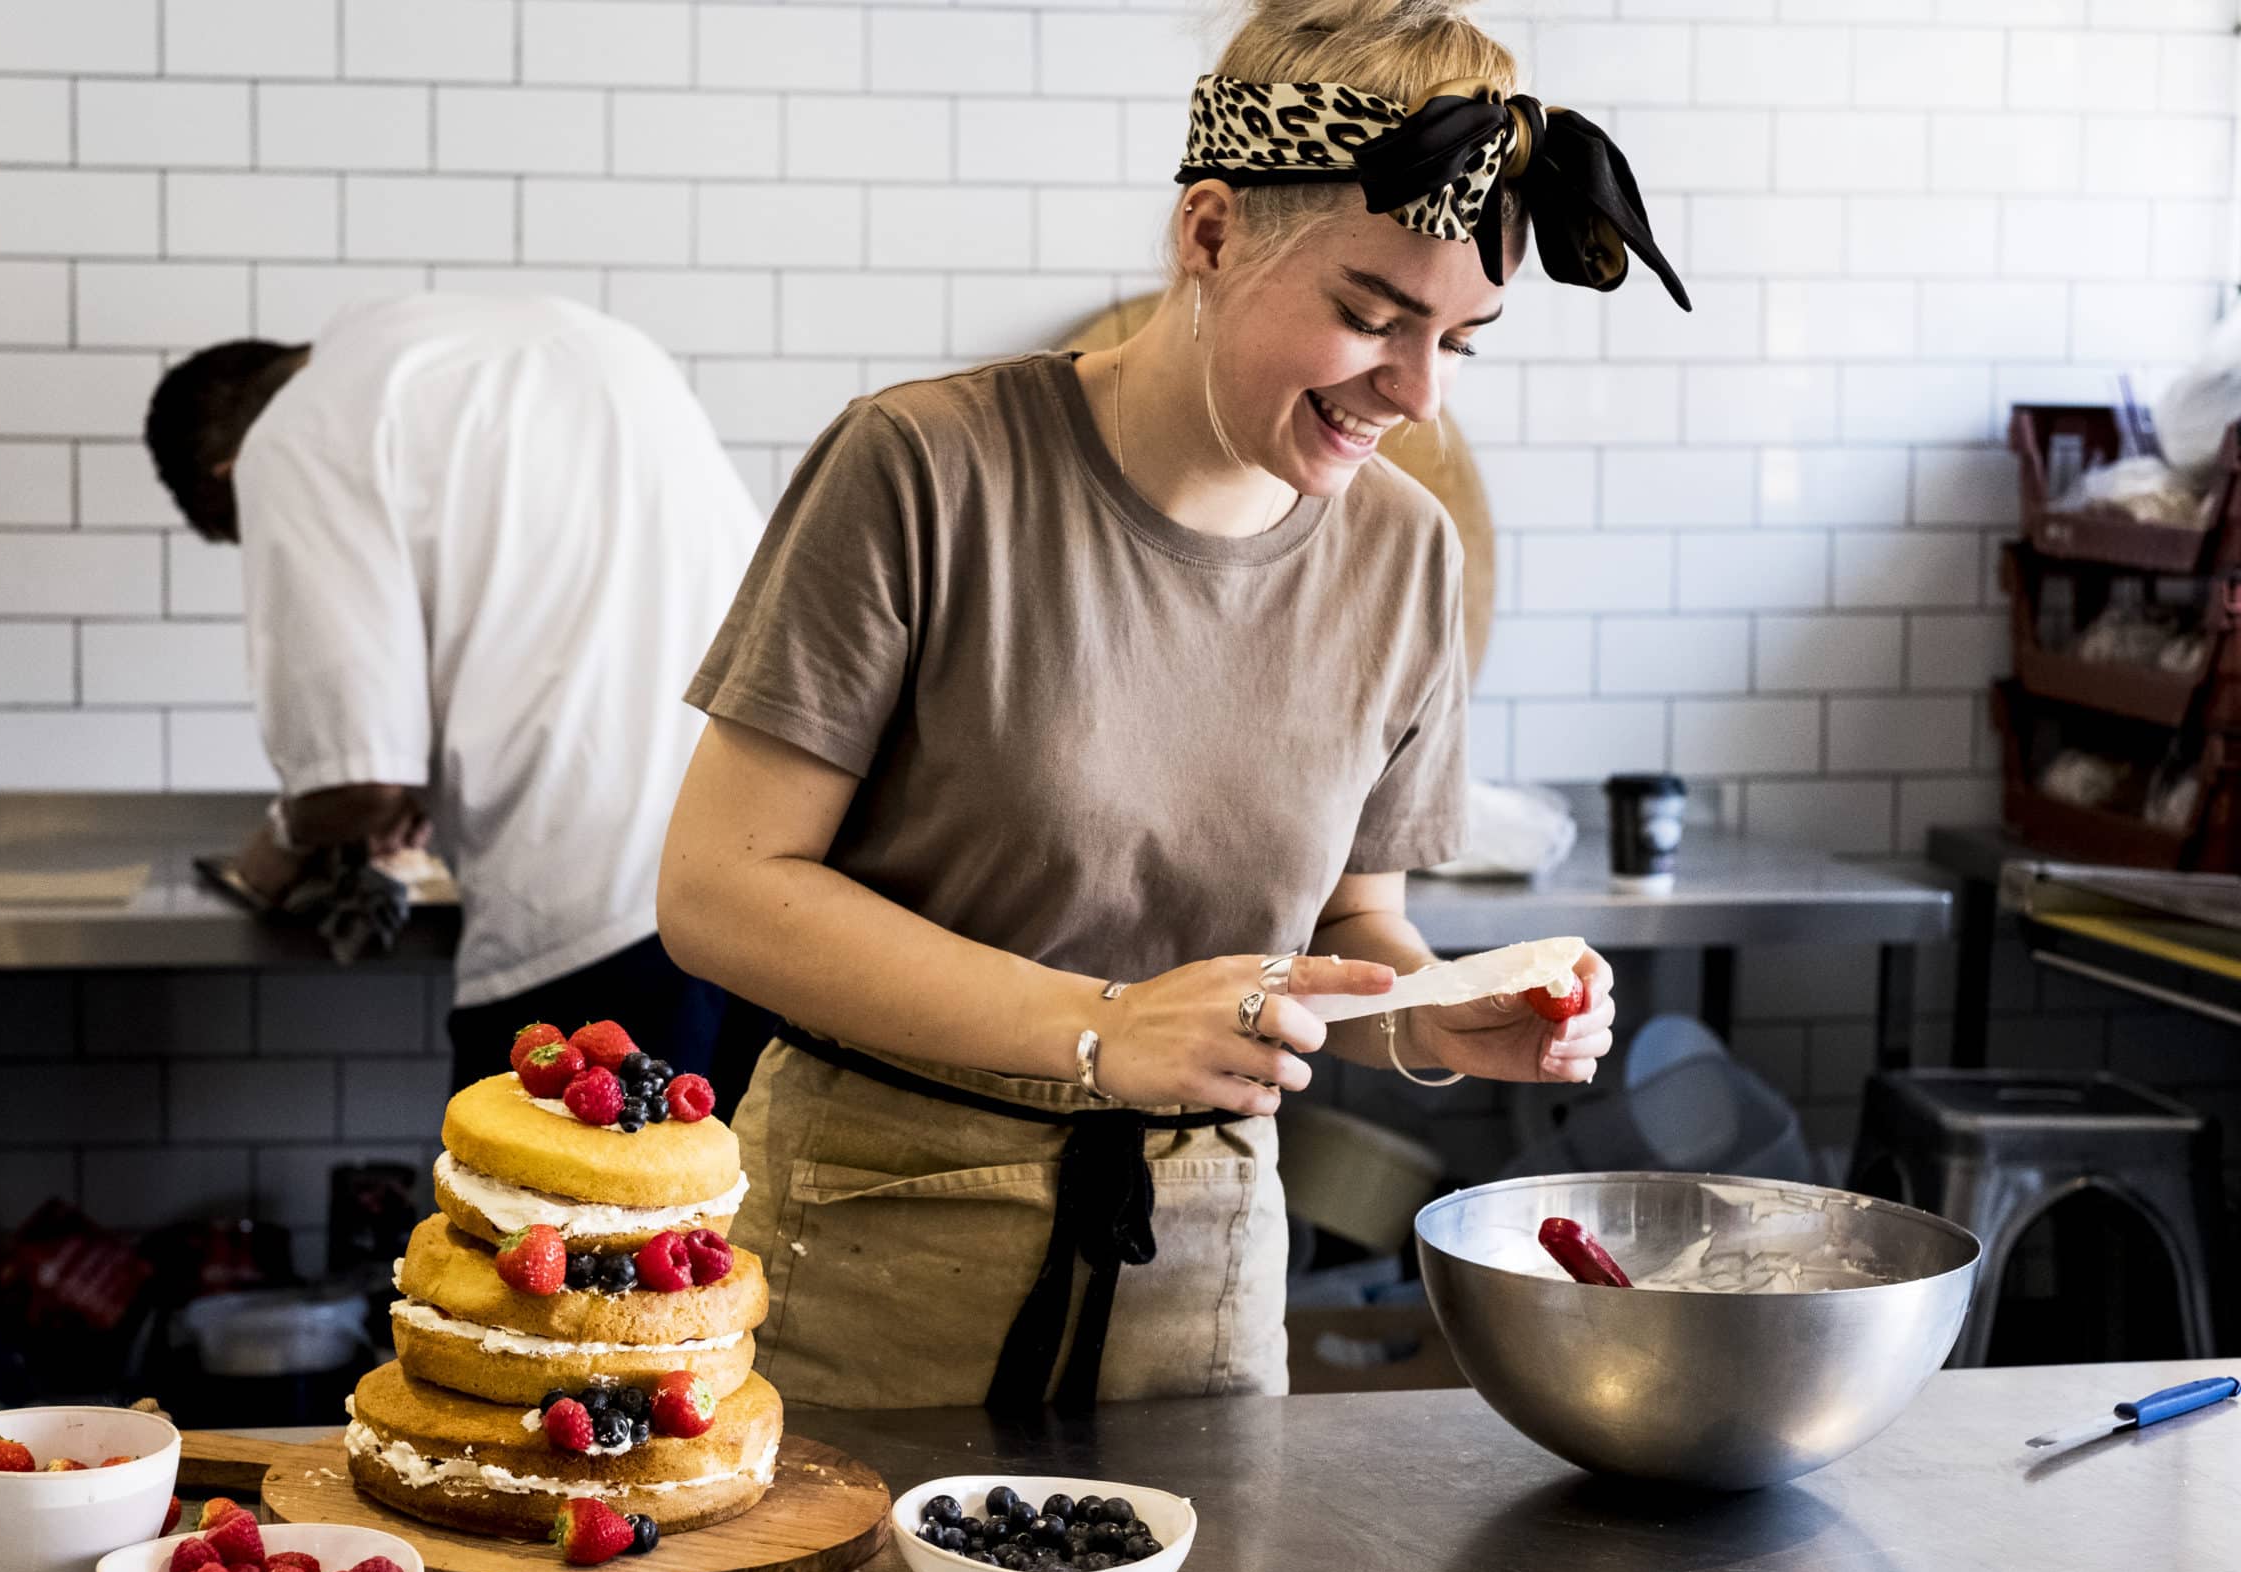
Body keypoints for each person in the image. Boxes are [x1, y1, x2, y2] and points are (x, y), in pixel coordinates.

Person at [656, 0, 1688, 1411]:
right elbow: (719, 891)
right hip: (873, 1243)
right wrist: (1098, 1025)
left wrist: (1430, 1012)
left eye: (1462, 340)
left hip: (1199, 1274)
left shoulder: (1405, 553)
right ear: (1208, 232)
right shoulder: (926, 469)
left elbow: (1345, 930)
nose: (1418, 395)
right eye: (1369, 317)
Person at [144, 294, 767, 1097]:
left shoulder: (297, 434)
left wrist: (281, 842)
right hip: (771, 877)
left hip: (591, 915)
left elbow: (356, 785)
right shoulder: (573, 343)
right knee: (735, 1178)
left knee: (542, 1182)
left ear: (229, 476)